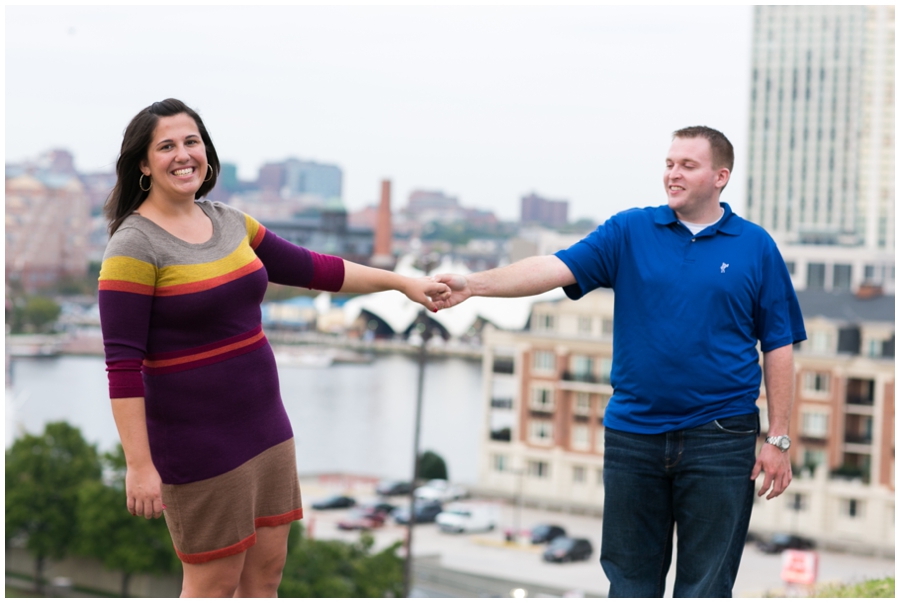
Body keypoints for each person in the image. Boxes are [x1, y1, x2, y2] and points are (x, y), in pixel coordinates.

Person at [433, 126, 806, 597]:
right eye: (669, 163)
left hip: (721, 438)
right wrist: (474, 285)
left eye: (687, 165)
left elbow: (779, 344)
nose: (673, 174)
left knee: (708, 585)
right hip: (635, 434)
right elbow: (554, 266)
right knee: (629, 583)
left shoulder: (755, 246)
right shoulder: (630, 230)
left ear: (720, 177)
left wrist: (778, 439)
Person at [98, 98, 450, 597]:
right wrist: (139, 466)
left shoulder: (229, 222)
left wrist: (401, 283)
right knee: (212, 586)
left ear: (207, 150)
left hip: (266, 431)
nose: (183, 155)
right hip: (198, 445)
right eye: (167, 146)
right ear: (142, 163)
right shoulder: (132, 247)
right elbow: (123, 367)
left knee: (266, 579)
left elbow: (315, 267)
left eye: (191, 141)